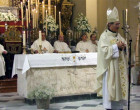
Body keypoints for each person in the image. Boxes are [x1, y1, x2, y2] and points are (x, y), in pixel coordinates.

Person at [96, 7, 128, 110]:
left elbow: (124, 44)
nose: (118, 26)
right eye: (116, 24)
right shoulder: (104, 36)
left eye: (119, 24)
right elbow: (104, 51)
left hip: (119, 69)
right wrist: (116, 47)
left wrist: (123, 46)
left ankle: (119, 108)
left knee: (119, 90)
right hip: (110, 70)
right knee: (110, 90)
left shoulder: (118, 35)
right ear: (110, 25)